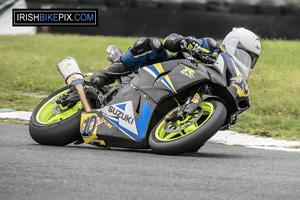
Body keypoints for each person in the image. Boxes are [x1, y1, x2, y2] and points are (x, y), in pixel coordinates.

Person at [90, 27, 261, 93]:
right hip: (164, 70)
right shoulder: (210, 46)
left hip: (179, 92)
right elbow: (171, 40)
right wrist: (183, 42)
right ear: (233, 44)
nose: (244, 62)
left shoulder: (232, 80)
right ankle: (105, 75)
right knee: (151, 45)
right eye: (243, 56)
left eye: (249, 60)